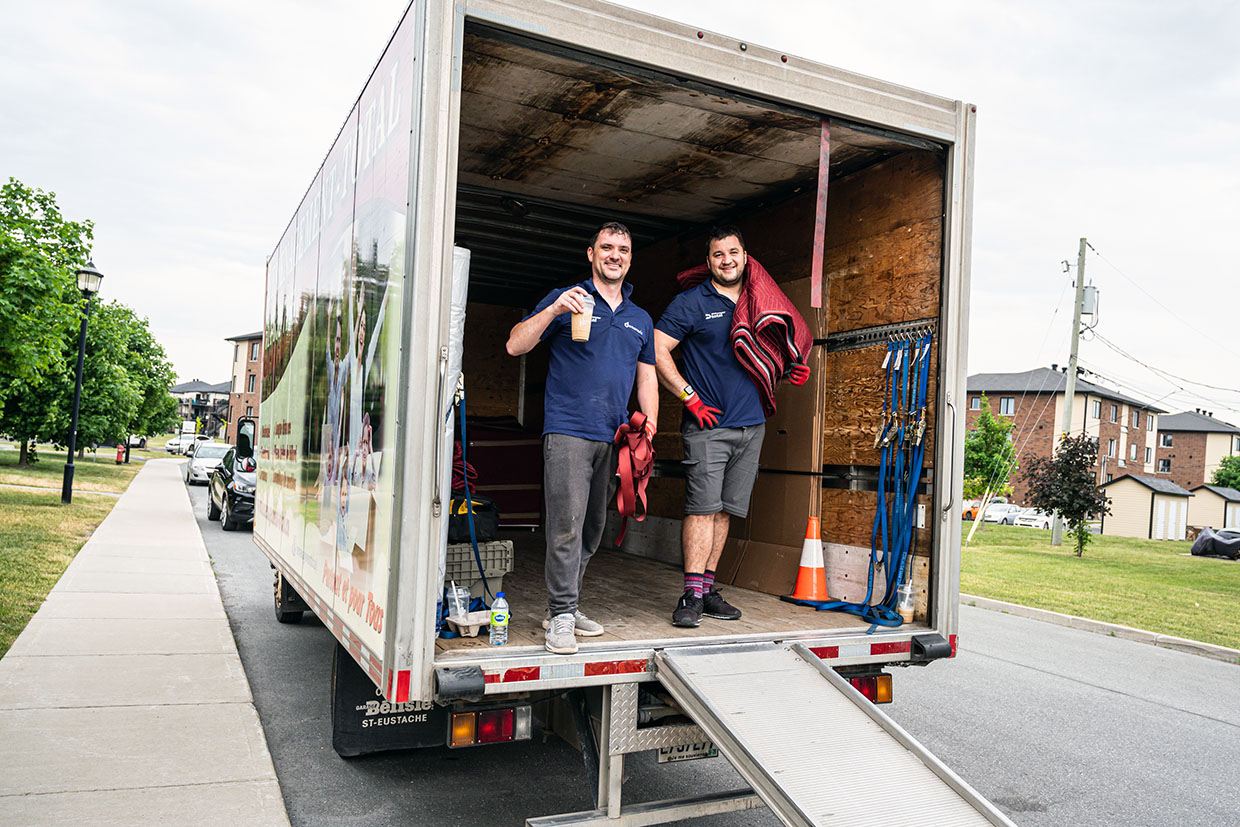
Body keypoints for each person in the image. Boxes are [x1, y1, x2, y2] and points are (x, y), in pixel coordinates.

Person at [506, 222, 659, 655]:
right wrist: (554, 309)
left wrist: (649, 428)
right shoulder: (569, 299)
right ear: (590, 254)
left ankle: (566, 609)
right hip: (569, 430)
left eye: (623, 249)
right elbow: (515, 346)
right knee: (566, 526)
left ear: (630, 258)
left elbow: (646, 378)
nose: (615, 255)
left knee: (593, 528)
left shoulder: (640, 319)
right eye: (606, 247)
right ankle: (560, 615)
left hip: (616, 438)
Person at [654, 226, 804, 627]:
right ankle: (690, 595)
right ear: (709, 262)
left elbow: (768, 349)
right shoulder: (690, 303)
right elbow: (656, 349)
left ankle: (707, 589)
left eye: (733, 252)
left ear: (745, 255)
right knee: (702, 511)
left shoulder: (760, 300)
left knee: (724, 513)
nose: (727, 260)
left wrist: (787, 367)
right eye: (718, 254)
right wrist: (689, 397)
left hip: (752, 426)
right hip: (707, 427)